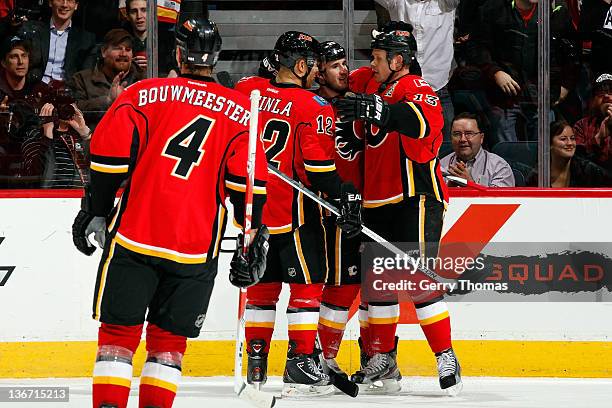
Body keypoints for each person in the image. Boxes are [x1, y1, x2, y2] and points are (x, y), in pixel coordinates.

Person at [70, 17, 270, 408]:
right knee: (168, 345)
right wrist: (252, 237)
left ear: (177, 53)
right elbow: (248, 189)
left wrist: (95, 210)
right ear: (215, 59)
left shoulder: (143, 93)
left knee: (118, 335)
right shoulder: (240, 113)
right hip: (196, 249)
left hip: (134, 236)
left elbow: (108, 162)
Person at [334, 21, 461, 394]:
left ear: (399, 60)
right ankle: (384, 360)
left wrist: (382, 111)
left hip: (415, 196)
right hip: (375, 197)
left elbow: (424, 123)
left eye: (377, 58)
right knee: (379, 287)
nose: (370, 64)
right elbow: (337, 80)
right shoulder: (369, 80)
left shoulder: (415, 86)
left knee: (419, 278)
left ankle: (445, 355)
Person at [234, 31, 361, 397]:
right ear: (302, 66)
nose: (318, 75)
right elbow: (318, 169)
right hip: (294, 211)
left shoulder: (248, 92)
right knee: (307, 285)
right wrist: (345, 194)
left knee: (262, 286)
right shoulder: (314, 106)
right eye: (315, 67)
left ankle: (256, 363)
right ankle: (302, 359)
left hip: (251, 210)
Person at [314, 40, 365, 378]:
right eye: (335, 65)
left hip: (362, 204)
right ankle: (322, 355)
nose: (344, 70)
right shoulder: (314, 107)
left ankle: (378, 357)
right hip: (331, 207)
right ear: (319, 73)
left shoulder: (356, 104)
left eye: (345, 63)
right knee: (339, 283)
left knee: (364, 283)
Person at [374, 0, 459, 140]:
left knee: (445, 147)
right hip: (401, 91)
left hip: (438, 89)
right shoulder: (397, 2)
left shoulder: (445, 3)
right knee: (399, 144)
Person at [0, 35, 47, 186]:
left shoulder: (40, 89)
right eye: (14, 56)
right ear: (3, 62)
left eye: (24, 56)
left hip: (34, 154)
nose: (21, 62)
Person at [71, 28, 144, 123]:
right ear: (103, 52)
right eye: (118, 48)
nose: (123, 53)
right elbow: (74, 110)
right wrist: (108, 100)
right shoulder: (81, 79)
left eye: (128, 49)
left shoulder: (142, 79)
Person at [17, 0, 96, 85]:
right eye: (60, 0)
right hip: (35, 87)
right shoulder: (32, 30)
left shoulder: (86, 39)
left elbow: (84, 76)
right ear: (50, 2)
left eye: (70, 1)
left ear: (76, 5)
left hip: (67, 91)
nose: (65, 5)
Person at [441, 112, 515, 187]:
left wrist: (470, 184)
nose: (462, 139)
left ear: (481, 138)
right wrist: (448, 190)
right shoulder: (440, 166)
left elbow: (500, 198)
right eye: (457, 134)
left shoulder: (499, 167)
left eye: (469, 133)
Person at [528, 120, 611, 186]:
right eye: (563, 139)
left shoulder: (587, 170)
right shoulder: (537, 176)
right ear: (549, 144)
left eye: (572, 138)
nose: (570, 143)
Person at [123, 0, 179, 76]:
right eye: (134, 11)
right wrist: (128, 64)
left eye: (144, 10)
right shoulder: (120, 38)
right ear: (128, 16)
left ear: (152, 12)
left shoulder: (167, 38)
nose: (139, 16)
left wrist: (174, 71)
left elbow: (174, 64)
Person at [574, 73, 612, 171]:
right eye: (601, 92)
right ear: (593, 99)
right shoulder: (581, 126)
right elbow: (577, 163)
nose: (607, 96)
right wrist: (598, 138)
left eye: (611, 91)